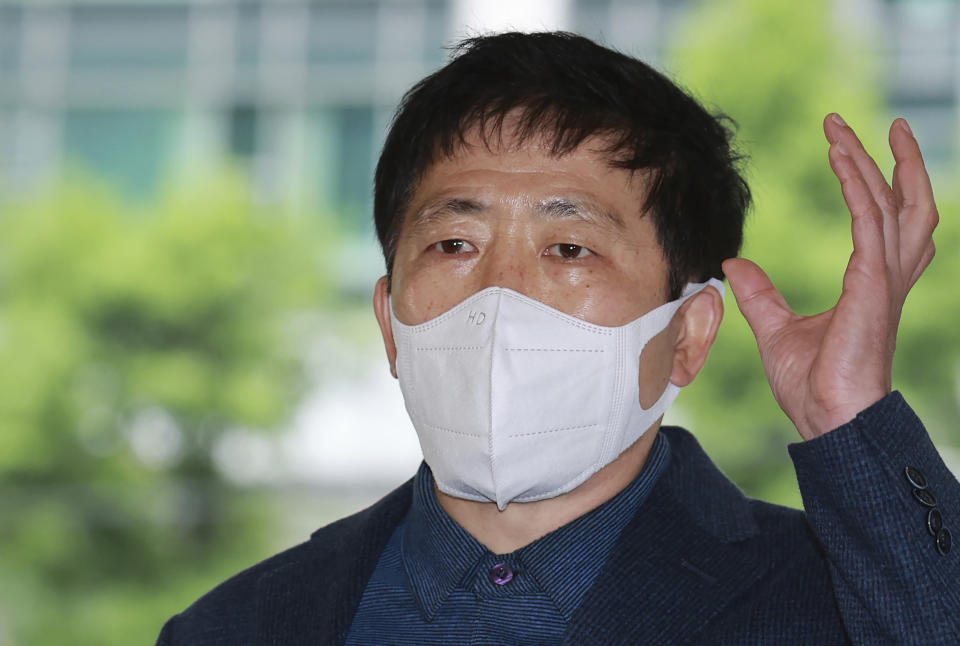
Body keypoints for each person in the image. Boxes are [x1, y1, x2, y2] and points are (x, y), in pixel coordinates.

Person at [156, 32, 958, 645]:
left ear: (687, 334)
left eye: (569, 250)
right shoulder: (238, 626)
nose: (500, 294)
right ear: (389, 322)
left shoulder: (841, 601)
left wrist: (851, 423)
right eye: (453, 245)